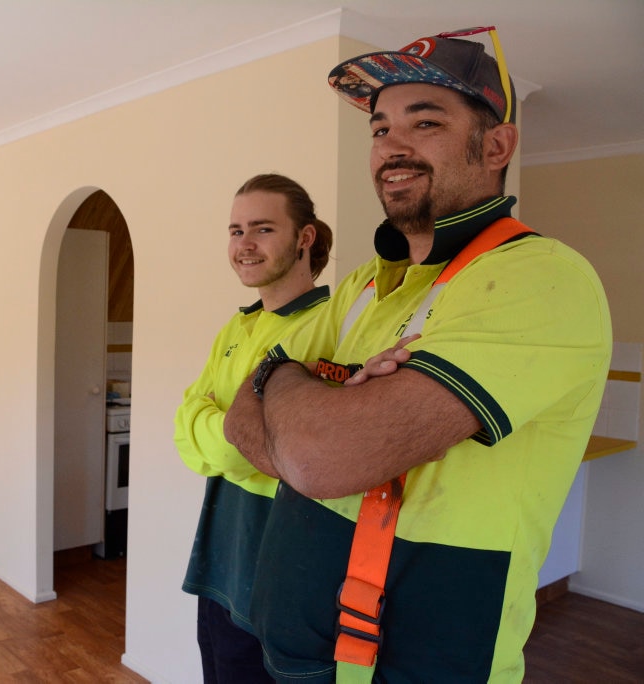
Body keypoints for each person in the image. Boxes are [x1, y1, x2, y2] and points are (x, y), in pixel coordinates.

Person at [224, 29, 612, 683]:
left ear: (496, 145)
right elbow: (240, 422)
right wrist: (308, 405)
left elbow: (319, 459)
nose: (392, 147)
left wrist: (289, 379)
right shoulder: (363, 286)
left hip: (414, 665)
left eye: (425, 121)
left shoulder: (542, 278)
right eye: (380, 129)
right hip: (299, 655)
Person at [174, 173, 334, 683]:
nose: (244, 245)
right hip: (221, 555)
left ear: (304, 238)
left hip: (282, 560)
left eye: (262, 229)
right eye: (236, 230)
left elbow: (240, 450)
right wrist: (224, 430)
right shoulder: (237, 326)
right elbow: (188, 426)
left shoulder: (327, 328)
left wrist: (215, 428)